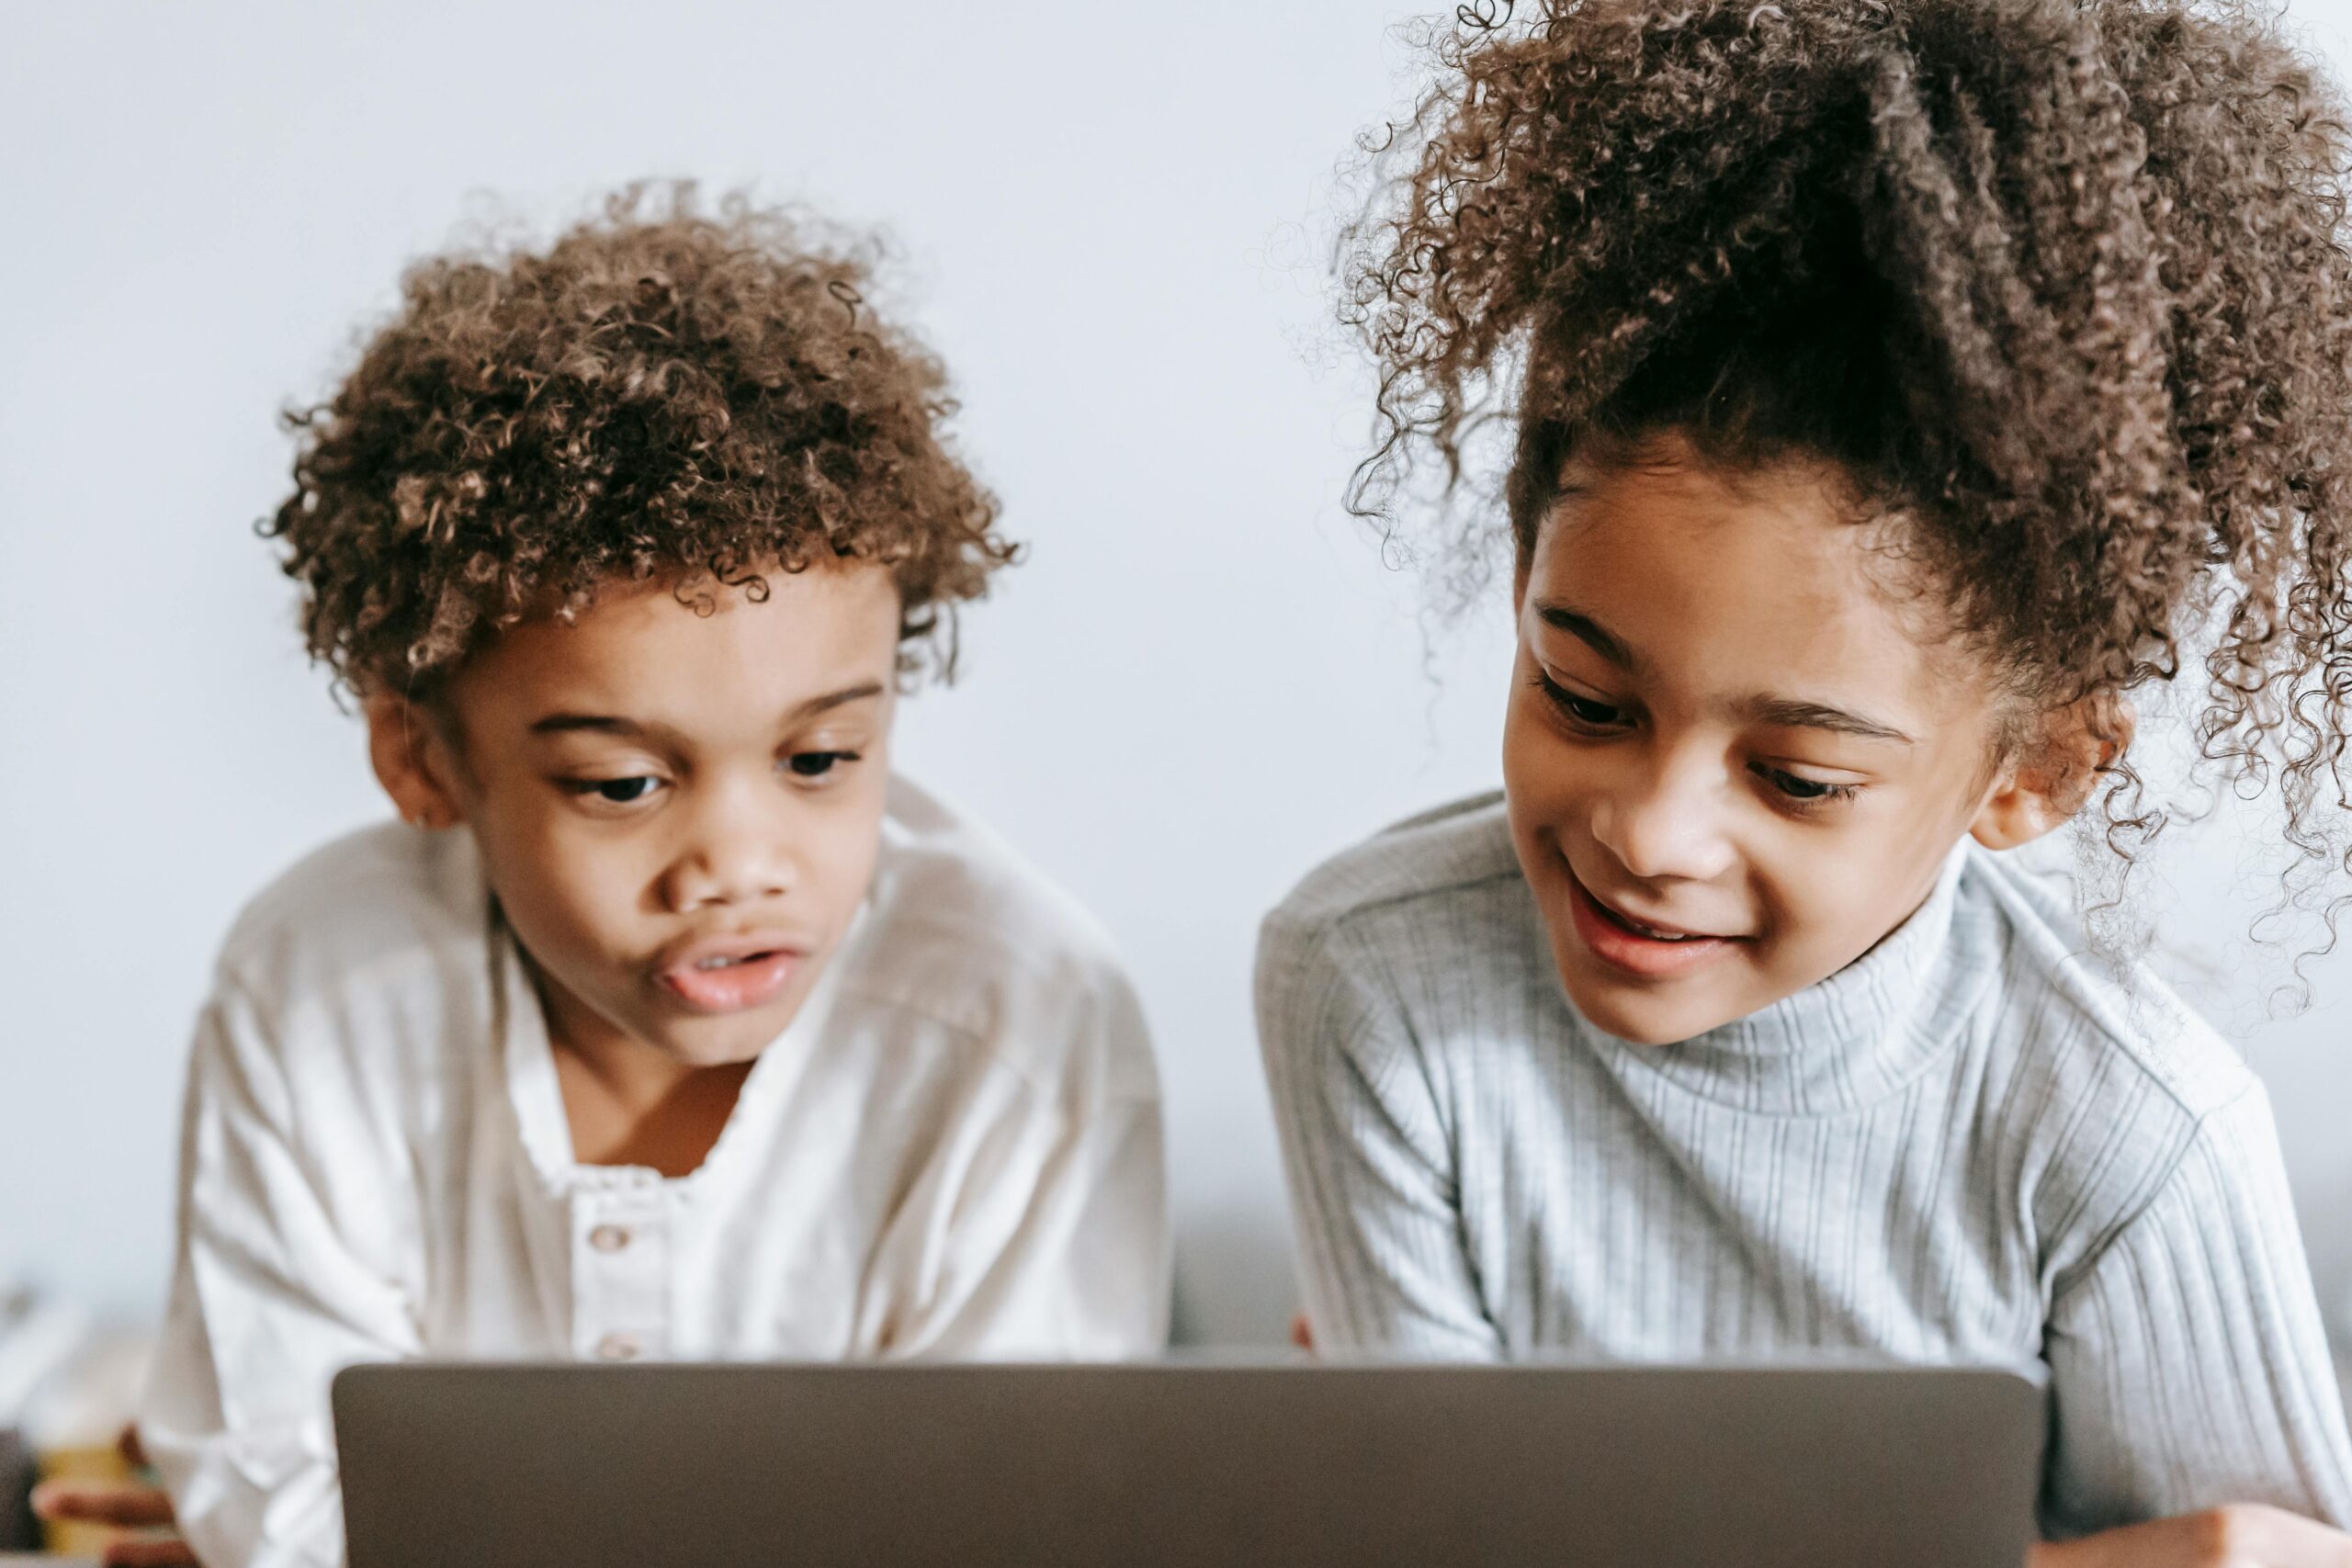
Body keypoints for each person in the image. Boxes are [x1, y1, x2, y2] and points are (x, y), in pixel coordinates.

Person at [1259, 0, 2352, 1560]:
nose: (1648, 833)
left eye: (1798, 775)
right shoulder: (1371, 982)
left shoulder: (2131, 1140)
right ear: (1523, 578)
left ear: (2031, 770)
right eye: (1582, 695)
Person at [114, 186, 1169, 1568]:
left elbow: (1009, 1531)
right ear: (420, 758)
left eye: (824, 759)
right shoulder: (318, 993)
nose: (741, 866)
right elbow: (289, 1513)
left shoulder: (1017, 1027)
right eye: (622, 785)